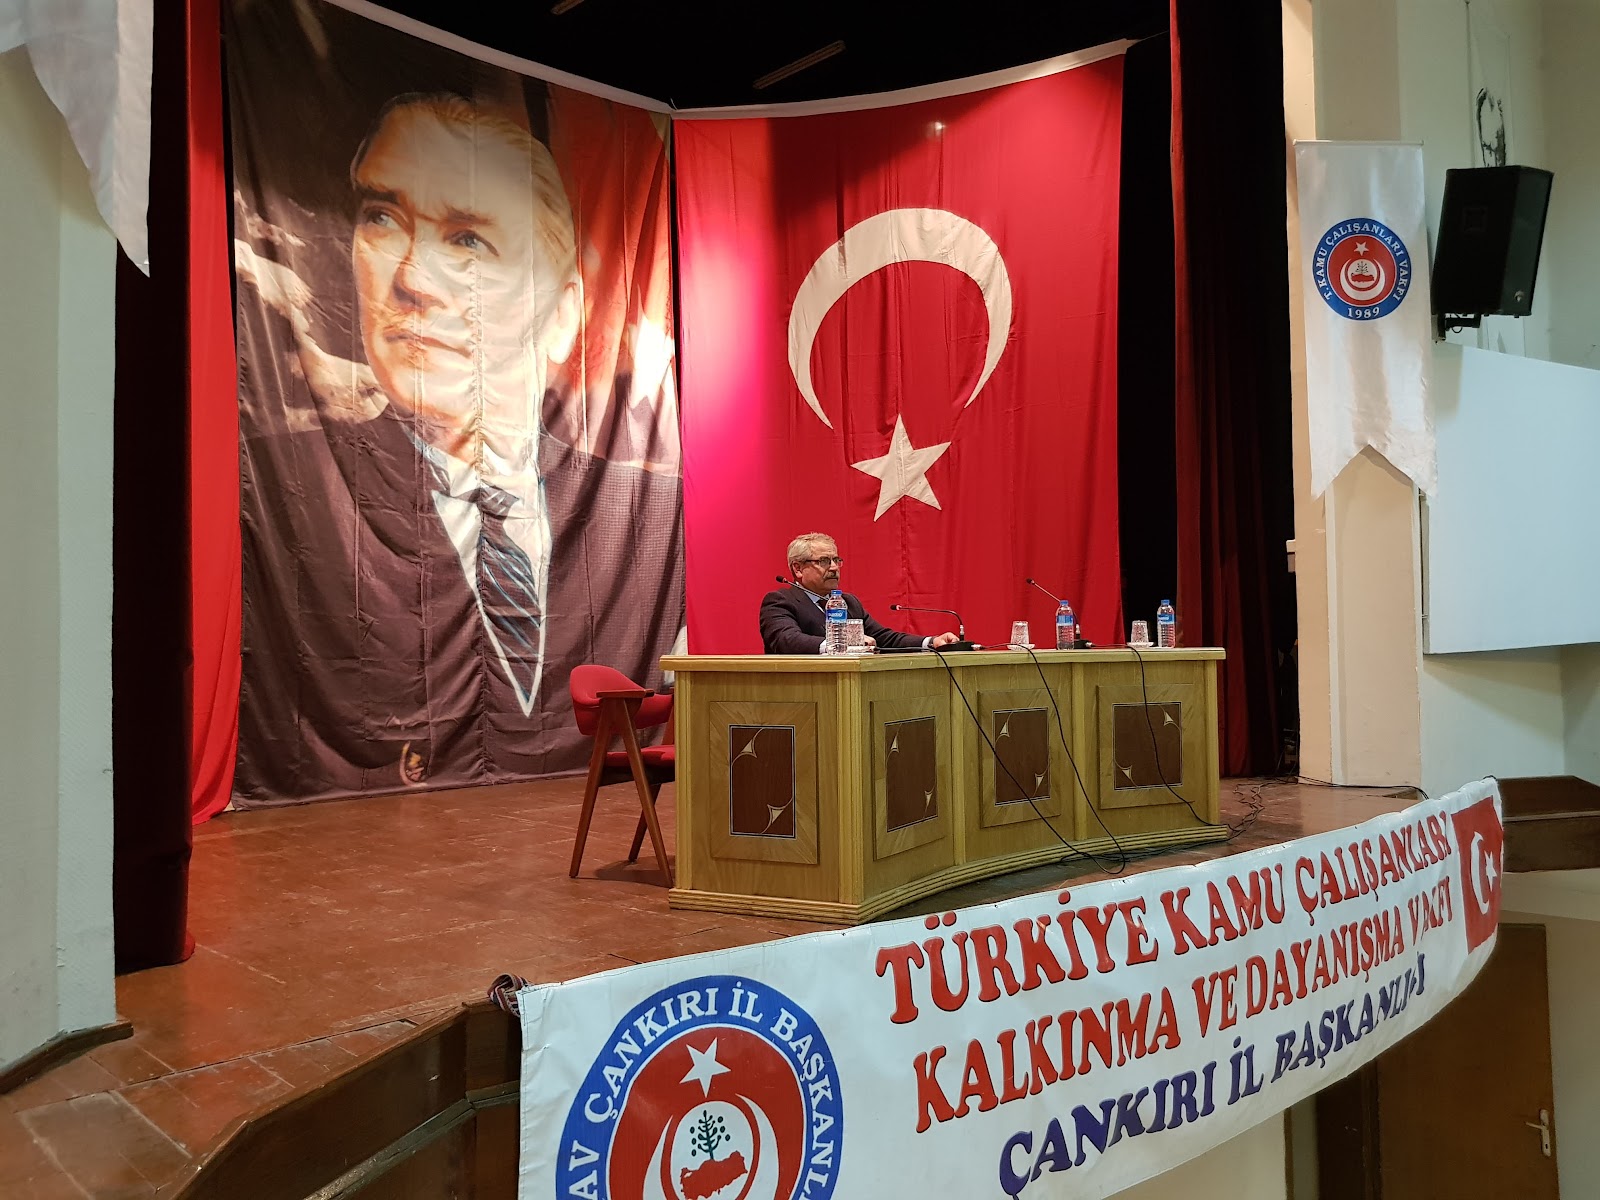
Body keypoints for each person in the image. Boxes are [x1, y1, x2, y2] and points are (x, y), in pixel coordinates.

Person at [233, 92, 683, 802]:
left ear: (564, 312)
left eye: (469, 241)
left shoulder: (650, 508)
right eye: (382, 217)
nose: (410, 280)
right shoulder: (284, 491)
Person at [759, 533, 959, 654]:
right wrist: (841, 643)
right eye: (824, 561)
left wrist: (931, 642)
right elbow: (787, 640)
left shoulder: (848, 602)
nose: (834, 567)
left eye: (836, 560)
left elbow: (883, 638)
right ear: (798, 568)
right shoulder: (780, 601)